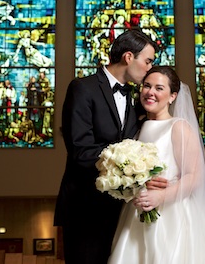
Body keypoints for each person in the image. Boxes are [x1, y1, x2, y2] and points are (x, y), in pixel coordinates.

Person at [109, 66, 205, 264]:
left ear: (173, 96)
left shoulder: (179, 127)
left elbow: (194, 176)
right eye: (147, 86)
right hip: (139, 211)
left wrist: (161, 196)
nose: (151, 93)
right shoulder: (138, 129)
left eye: (159, 88)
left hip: (172, 215)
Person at [54, 30, 166, 264]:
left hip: (121, 210)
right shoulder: (82, 88)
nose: (150, 68)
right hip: (85, 207)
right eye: (148, 61)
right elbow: (80, 150)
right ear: (128, 57)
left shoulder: (136, 99)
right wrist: (132, 168)